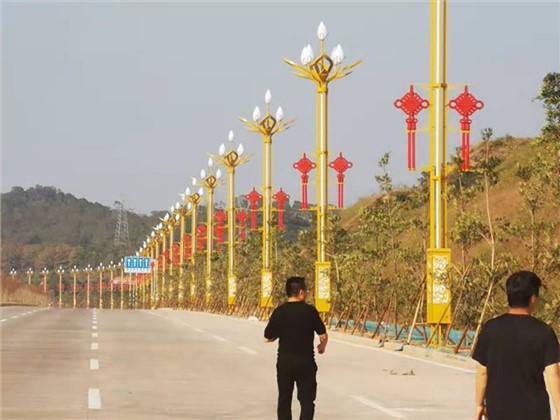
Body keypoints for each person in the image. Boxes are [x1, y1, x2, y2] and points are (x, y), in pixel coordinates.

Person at [472, 271, 560, 420]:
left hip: (498, 411)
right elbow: (553, 374)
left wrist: (479, 405)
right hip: (535, 412)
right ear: (533, 298)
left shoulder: (491, 328)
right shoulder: (544, 332)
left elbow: (482, 372)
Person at [264, 276, 328, 420]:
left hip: (285, 363)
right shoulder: (310, 311)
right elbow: (323, 335)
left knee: (284, 399)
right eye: (305, 291)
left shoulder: (279, 311)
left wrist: (278, 335)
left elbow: (268, 336)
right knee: (307, 401)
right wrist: (322, 347)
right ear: (301, 292)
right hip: (305, 363)